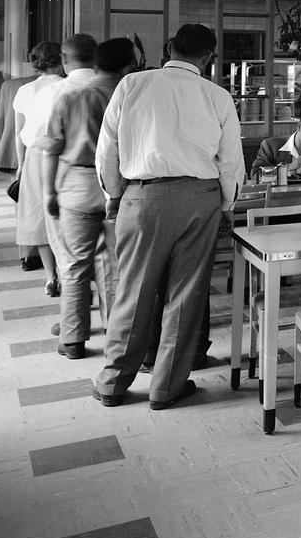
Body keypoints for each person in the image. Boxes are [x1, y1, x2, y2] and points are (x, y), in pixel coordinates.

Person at [93, 24, 243, 409]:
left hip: (143, 197)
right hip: (200, 199)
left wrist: (113, 194)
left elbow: (107, 147)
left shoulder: (132, 85)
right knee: (186, 294)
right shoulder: (218, 96)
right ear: (208, 58)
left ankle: (113, 382)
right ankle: (166, 387)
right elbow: (230, 162)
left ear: (170, 47)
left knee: (133, 290)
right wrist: (225, 207)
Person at [37, 37, 137, 359]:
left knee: (75, 265)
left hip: (76, 186)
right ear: (126, 67)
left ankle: (73, 339)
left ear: (95, 64)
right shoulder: (131, 99)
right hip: (119, 188)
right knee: (114, 264)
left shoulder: (72, 97)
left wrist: (49, 191)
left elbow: (50, 149)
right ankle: (115, 334)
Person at [13, 40, 68, 296]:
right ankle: (69, 275)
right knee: (64, 215)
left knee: (38, 215)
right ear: (61, 59)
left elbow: (17, 132)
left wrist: (21, 164)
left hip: (34, 155)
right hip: (66, 153)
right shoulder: (69, 86)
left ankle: (50, 276)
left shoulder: (25, 90)